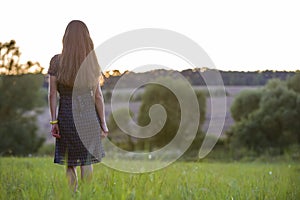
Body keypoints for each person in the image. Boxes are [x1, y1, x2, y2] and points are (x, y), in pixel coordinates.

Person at [48, 20, 108, 192]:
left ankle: (73, 195)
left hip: (66, 115)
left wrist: (54, 122)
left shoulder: (56, 61)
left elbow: (52, 94)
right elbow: (97, 96)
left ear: (65, 38)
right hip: (88, 116)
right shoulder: (92, 62)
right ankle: (87, 195)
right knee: (86, 160)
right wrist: (103, 123)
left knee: (70, 161)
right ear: (86, 39)